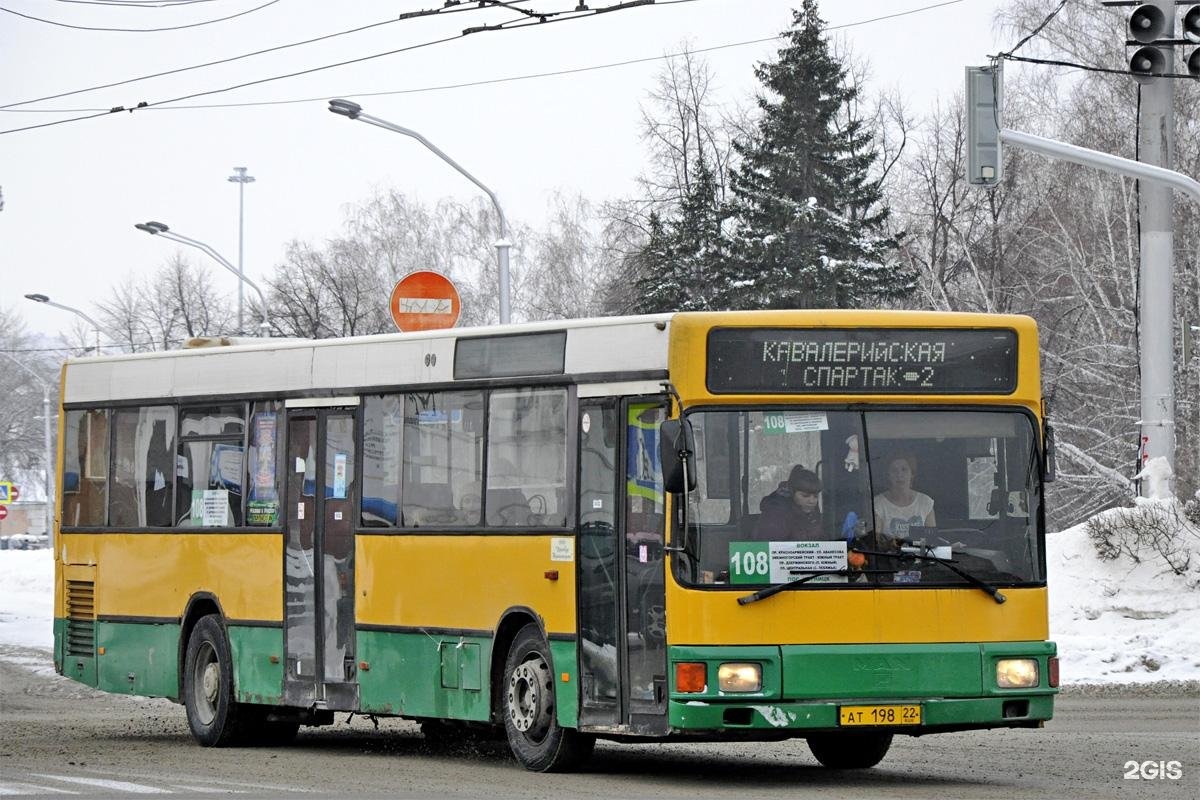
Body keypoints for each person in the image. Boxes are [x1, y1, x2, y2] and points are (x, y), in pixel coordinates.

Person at [873, 454, 936, 543]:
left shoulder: (925, 502)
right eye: (894, 470)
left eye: (904, 469)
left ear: (912, 474)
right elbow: (876, 542)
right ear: (888, 475)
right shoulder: (877, 504)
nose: (899, 474)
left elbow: (931, 542)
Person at [754, 465, 824, 541]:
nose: (812, 501)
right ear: (791, 492)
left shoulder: (812, 511)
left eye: (816, 496)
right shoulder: (776, 514)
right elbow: (772, 548)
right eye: (805, 496)